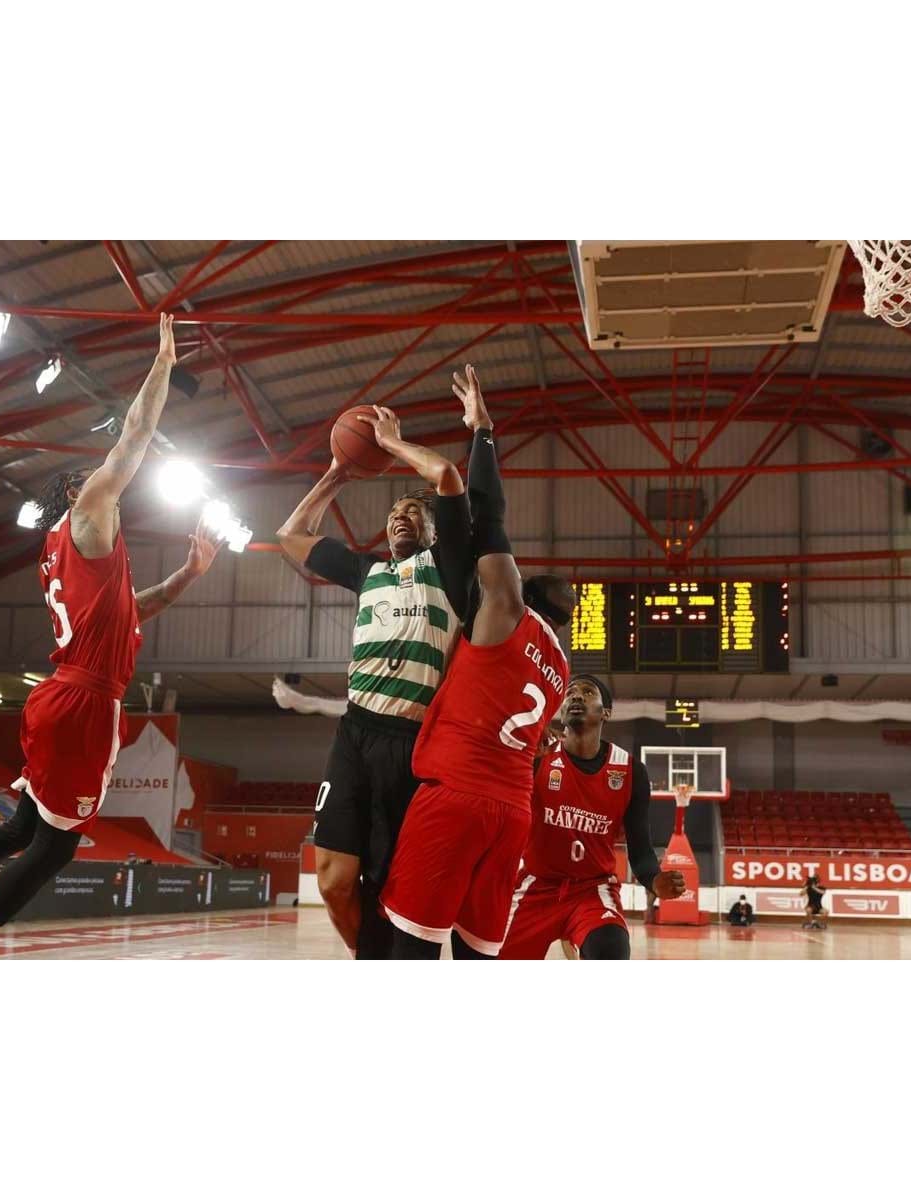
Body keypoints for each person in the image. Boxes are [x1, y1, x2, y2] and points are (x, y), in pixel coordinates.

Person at [0, 314, 227, 961]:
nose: (111, 487)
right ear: (77, 495)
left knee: (24, 825)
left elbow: (141, 606)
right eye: (96, 483)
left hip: (59, 695)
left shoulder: (67, 555)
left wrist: (189, 573)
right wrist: (163, 360)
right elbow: (135, 435)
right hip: (85, 705)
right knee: (56, 847)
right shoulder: (91, 513)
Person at [381, 365, 576, 959]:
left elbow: (488, 519)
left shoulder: (502, 609)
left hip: (457, 796)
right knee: (476, 955)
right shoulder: (562, 670)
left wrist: (475, 432)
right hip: (512, 811)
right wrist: (482, 432)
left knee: (409, 947)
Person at [276, 398, 475, 958]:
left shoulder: (450, 569)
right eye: (393, 513)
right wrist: (336, 474)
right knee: (335, 881)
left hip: (416, 744)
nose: (400, 516)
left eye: (414, 512)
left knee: (397, 890)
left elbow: (444, 474)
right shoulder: (368, 573)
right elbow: (291, 534)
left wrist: (389, 446)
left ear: (436, 528)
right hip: (355, 731)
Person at [500, 675, 685, 959]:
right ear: (560, 711)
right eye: (570, 692)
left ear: (605, 712)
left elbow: (641, 849)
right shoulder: (538, 756)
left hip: (592, 891)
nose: (576, 696)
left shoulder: (631, 772)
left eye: (588, 692)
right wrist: (519, 757)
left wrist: (653, 879)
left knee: (610, 950)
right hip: (535, 885)